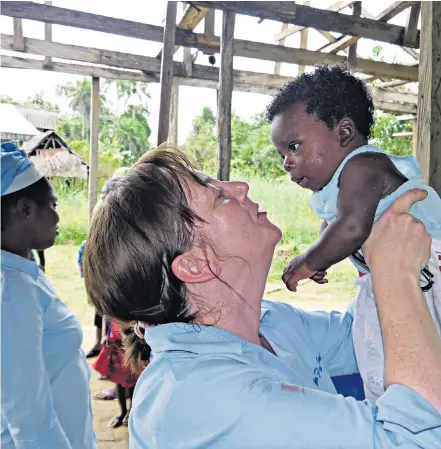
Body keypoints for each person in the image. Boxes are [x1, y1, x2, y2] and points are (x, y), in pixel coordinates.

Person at [83, 146, 441, 448]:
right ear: (194, 265)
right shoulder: (200, 396)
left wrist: (378, 243)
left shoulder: (270, 322)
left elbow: (366, 336)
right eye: (219, 196)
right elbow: (415, 440)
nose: (241, 186)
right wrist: (395, 274)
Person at [268, 63, 441, 402]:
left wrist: (306, 262)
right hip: (399, 277)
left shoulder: (364, 165)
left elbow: (350, 227)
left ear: (344, 133)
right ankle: (392, 418)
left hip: (429, 269)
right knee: (380, 358)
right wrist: (325, 255)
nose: (287, 162)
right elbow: (338, 225)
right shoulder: (340, 186)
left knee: (402, 365)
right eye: (282, 154)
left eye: (294, 146)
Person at [1, 142, 96, 449]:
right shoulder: (10, 290)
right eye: (53, 206)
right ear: (26, 209)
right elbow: (29, 417)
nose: (58, 218)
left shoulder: (23, 272)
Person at [80, 177, 120, 359]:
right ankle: (101, 346)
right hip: (103, 277)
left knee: (116, 324)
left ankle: (108, 353)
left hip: (118, 279)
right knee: (101, 312)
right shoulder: (100, 217)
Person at [92, 319, 140, 428]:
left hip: (132, 339)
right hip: (115, 340)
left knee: (133, 377)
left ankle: (131, 411)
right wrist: (105, 334)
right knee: (118, 378)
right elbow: (106, 314)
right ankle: (123, 411)